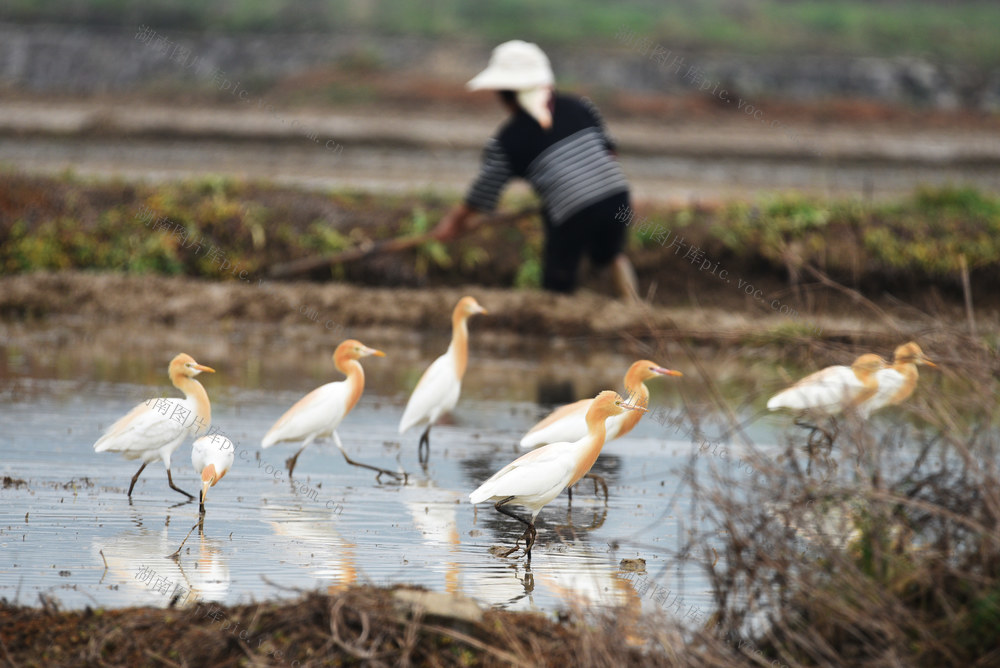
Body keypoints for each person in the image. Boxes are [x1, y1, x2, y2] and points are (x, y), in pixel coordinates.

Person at [432, 40, 639, 300]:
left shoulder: (508, 139)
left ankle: (559, 317)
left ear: (504, 94)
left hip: (571, 210)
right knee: (612, 255)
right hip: (616, 195)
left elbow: (482, 194)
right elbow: (610, 151)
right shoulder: (581, 106)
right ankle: (636, 310)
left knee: (558, 280)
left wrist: (452, 224)